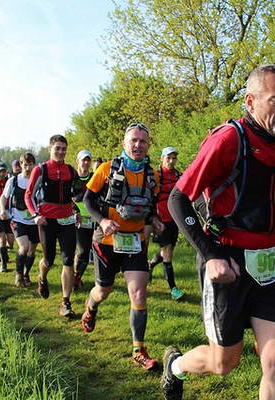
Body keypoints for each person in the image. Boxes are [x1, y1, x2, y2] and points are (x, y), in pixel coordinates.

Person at [162, 64, 275, 400]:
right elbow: (179, 200)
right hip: (228, 262)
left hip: (268, 263)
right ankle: (175, 367)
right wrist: (211, 254)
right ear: (250, 102)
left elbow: (274, 202)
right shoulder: (228, 139)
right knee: (224, 363)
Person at [80, 122, 164, 371]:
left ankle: (138, 349)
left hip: (135, 241)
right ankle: (91, 307)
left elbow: (149, 208)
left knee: (138, 291)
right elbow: (88, 199)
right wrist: (103, 220)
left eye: (142, 141)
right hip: (106, 241)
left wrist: (155, 220)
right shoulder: (106, 169)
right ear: (124, 143)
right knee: (102, 291)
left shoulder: (154, 175)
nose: (138, 145)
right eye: (133, 140)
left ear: (148, 145)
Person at [25, 135, 78, 318]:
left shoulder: (70, 170)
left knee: (68, 260)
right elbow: (28, 195)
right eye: (57, 148)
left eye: (64, 148)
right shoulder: (41, 170)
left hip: (67, 221)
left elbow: (77, 194)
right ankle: (42, 277)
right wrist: (35, 215)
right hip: (47, 220)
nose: (61, 151)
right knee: (48, 260)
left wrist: (77, 210)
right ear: (50, 149)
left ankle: (65, 303)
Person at [148, 146, 185, 300]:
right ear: (162, 158)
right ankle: (173, 289)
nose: (171, 161)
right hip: (160, 220)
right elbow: (149, 198)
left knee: (166, 252)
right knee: (167, 251)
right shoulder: (157, 176)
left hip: (174, 219)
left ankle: (150, 265)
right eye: (168, 158)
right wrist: (153, 218)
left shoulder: (178, 175)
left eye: (174, 158)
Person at [1, 152, 39, 287]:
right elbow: (3, 197)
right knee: (24, 247)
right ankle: (18, 275)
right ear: (21, 165)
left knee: (32, 250)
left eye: (30, 165)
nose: (28, 168)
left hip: (34, 220)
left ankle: (26, 273)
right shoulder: (13, 180)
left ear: (34, 165)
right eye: (25, 165)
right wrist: (2, 210)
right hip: (18, 218)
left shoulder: (37, 180)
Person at [72, 149, 94, 290]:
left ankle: (76, 277)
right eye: (83, 160)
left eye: (88, 160)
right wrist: (74, 211)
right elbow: (67, 198)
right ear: (78, 161)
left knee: (87, 251)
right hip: (77, 218)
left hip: (93, 218)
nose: (86, 163)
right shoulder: (72, 178)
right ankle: (75, 278)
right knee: (82, 250)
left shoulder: (94, 177)